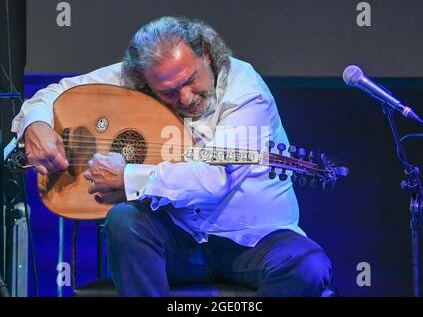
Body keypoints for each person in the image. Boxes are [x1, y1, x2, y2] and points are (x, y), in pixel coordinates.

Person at [11, 16, 332, 296]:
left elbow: (214, 179)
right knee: (124, 220)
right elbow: (53, 95)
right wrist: (36, 124)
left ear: (206, 55)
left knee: (309, 267)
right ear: (146, 80)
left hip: (255, 241)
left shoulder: (244, 89)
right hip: (178, 240)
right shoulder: (142, 76)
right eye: (168, 92)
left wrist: (127, 177)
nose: (186, 97)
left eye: (190, 81)